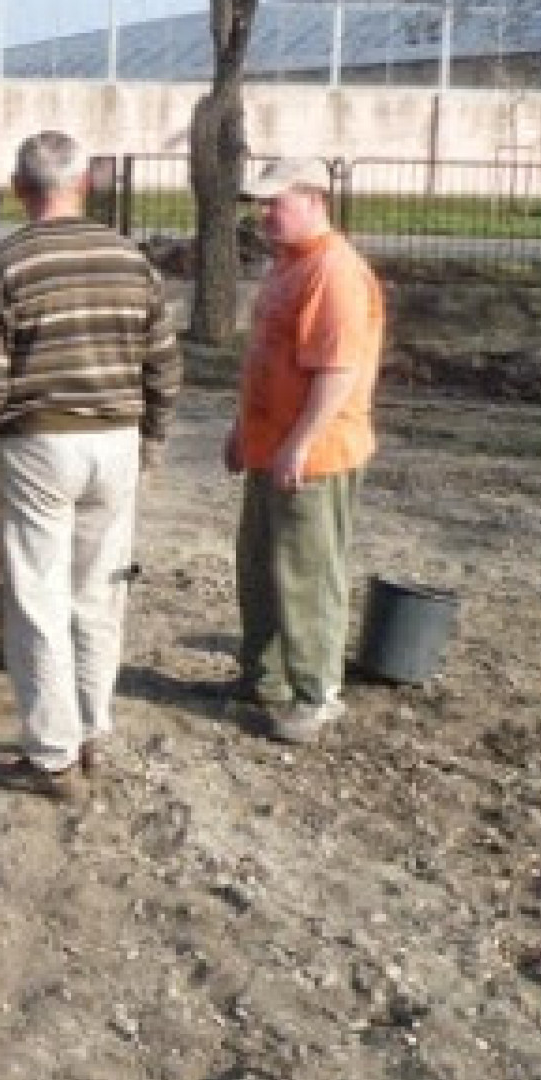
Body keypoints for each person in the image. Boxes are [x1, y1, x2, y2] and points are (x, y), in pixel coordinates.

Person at [0, 131, 182, 800]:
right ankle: (91, 729)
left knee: (37, 597)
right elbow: (163, 361)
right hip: (116, 441)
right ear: (84, 185)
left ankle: (52, 756)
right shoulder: (130, 259)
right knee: (100, 591)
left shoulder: (8, 262)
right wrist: (153, 439)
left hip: (40, 444)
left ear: (21, 189)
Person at [227, 158, 385, 745]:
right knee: (261, 567)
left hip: (313, 455)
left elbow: (338, 372)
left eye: (277, 202)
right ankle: (265, 678)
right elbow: (266, 359)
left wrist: (299, 445)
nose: (264, 214)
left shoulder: (333, 271)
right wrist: (241, 430)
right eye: (261, 204)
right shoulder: (288, 264)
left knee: (307, 575)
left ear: (316, 199)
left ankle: (317, 695)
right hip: (272, 448)